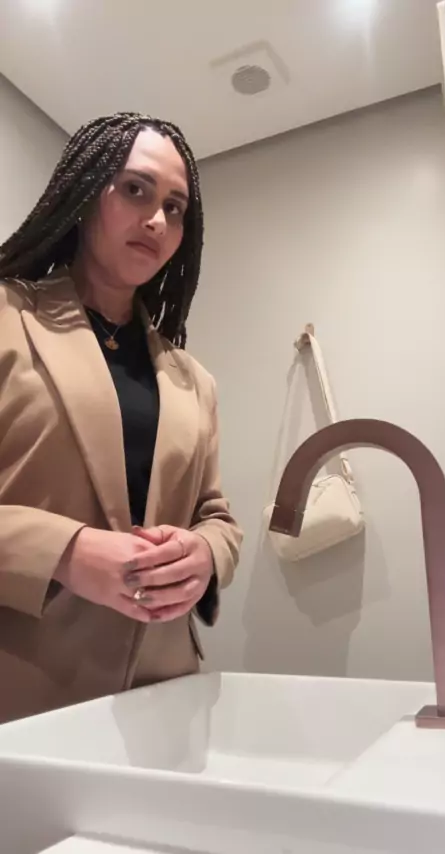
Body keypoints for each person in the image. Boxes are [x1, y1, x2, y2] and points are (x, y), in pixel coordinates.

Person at [0, 112, 242, 723]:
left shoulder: (193, 381)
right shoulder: (6, 318)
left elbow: (217, 516)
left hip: (166, 694)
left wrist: (203, 554)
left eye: (175, 207)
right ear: (84, 195)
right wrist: (64, 552)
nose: (157, 219)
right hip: (27, 691)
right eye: (135, 189)